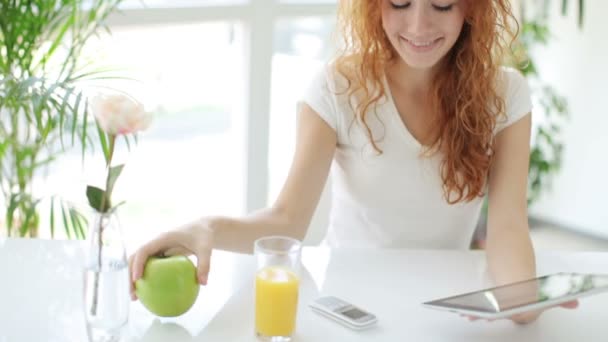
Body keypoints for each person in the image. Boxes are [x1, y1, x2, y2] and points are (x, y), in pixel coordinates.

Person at [129, 0, 577, 323]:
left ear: (471, 9)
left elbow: (507, 226)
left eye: (442, 3)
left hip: (447, 307)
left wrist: (519, 302)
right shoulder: (336, 88)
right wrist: (205, 228)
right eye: (399, 2)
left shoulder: (506, 93)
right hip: (352, 309)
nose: (419, 24)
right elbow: (287, 222)